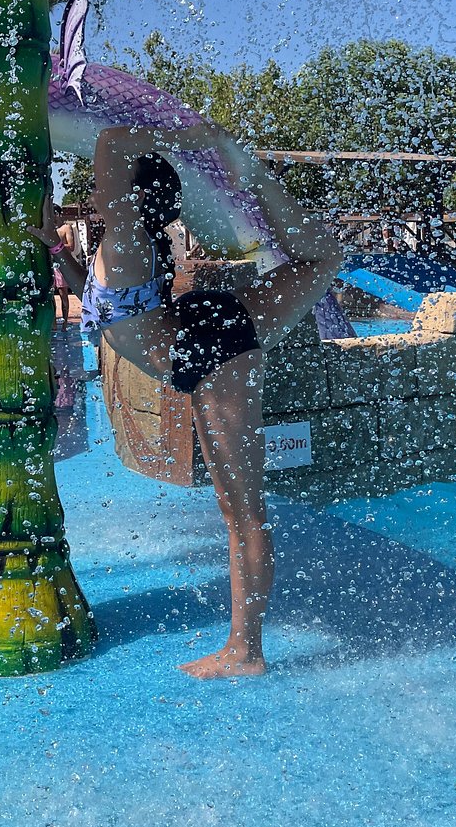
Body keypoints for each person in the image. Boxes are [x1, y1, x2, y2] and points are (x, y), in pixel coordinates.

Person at [33, 122, 342, 680]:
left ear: (126, 192)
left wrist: (197, 135)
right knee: (320, 259)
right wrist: (54, 244)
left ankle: (246, 652)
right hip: (202, 332)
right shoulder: (123, 242)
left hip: (211, 350)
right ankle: (256, 175)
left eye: (105, 187)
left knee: (243, 512)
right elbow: (98, 300)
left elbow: (108, 143)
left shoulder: (125, 230)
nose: (94, 190)